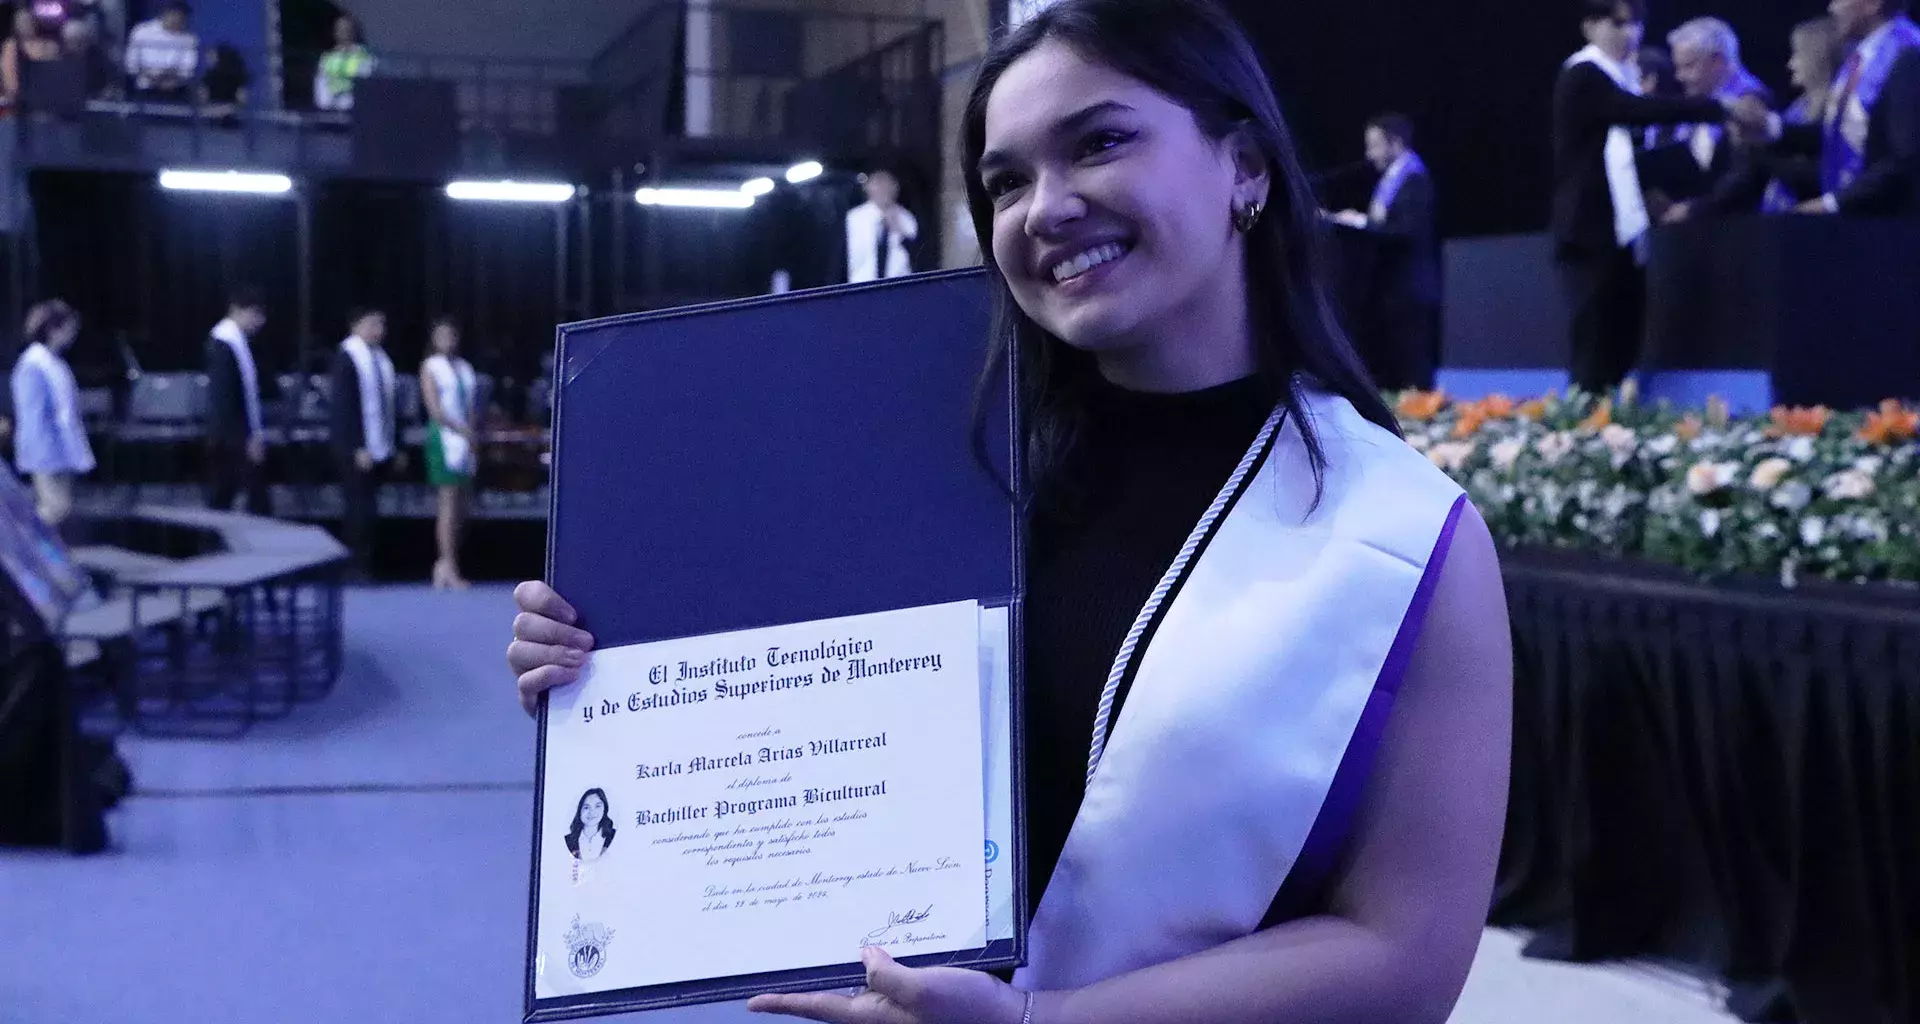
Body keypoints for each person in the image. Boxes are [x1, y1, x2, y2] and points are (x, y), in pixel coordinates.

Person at [512, 2, 1513, 1022]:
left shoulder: (1399, 536)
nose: (1047, 207)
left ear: (1245, 168)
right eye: (1006, 181)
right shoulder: (947, 478)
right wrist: (609, 675)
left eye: (1101, 142)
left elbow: (1402, 953)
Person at [1550, 0, 1733, 394]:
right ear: (1590, 26)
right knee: (1595, 337)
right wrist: (1718, 108)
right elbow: (1632, 110)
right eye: (1617, 23)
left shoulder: (1623, 75)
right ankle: (1584, 427)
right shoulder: (1584, 74)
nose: (1629, 33)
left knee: (1623, 333)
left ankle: (1609, 420)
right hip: (1589, 229)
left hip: (1623, 231)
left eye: (1635, 23)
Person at [1731, 0, 1920, 217]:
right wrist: (1770, 127)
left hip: (1894, 228)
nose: (1832, 8)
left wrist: (1832, 204)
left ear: (1872, 4)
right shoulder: (1862, 58)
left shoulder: (1910, 55)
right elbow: (1845, 137)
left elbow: (1908, 158)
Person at [1679, 17, 1845, 220]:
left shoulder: (1755, 100)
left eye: (1798, 55)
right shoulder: (1797, 109)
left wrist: (1759, 153)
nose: (1790, 64)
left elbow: (1820, 174)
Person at [1329, 112, 1439, 390]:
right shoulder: (1390, 180)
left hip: (1410, 290)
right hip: (1387, 290)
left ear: (1396, 143)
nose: (1369, 154)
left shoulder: (1414, 179)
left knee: (1414, 368)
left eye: (1375, 145)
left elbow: (1407, 231)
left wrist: (1361, 222)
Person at [9, 300, 93, 525]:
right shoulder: (33, 363)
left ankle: (39, 553)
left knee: (60, 507)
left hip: (59, 449)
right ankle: (27, 548)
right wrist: (44, 451)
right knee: (55, 507)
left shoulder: (53, 362)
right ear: (53, 329)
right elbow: (32, 415)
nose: (72, 334)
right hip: (44, 448)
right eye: (68, 328)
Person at [328, 308, 397, 579]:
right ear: (356, 325)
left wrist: (395, 442)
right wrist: (357, 446)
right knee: (358, 509)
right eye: (372, 323)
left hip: (379, 444)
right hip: (355, 447)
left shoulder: (381, 359)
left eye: (382, 323)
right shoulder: (347, 356)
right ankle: (355, 566)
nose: (378, 329)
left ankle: (369, 562)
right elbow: (344, 408)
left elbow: (389, 406)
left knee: (371, 509)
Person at [420, 316, 478, 590]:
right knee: (448, 504)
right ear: (434, 339)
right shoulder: (431, 366)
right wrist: (460, 429)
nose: (447, 340)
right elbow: (434, 409)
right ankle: (448, 565)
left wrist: (472, 433)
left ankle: (444, 564)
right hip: (443, 437)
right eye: (441, 336)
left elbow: (470, 406)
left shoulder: (465, 367)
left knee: (464, 506)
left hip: (466, 438)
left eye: (451, 335)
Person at [204, 288, 270, 515]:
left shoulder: (235, 342)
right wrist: (247, 440)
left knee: (226, 497)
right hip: (230, 438)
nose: (260, 322)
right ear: (237, 311)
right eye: (255, 314)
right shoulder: (224, 344)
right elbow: (225, 400)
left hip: (233, 436)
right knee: (230, 497)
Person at [845, 168, 919, 283]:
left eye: (887, 184)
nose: (883, 189)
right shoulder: (853, 218)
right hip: (860, 286)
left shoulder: (907, 219)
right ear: (867, 188)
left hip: (898, 287)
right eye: (878, 184)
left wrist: (898, 230)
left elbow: (917, 256)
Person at [124, 1, 197, 102]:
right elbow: (131, 64)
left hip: (175, 92)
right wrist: (151, 77)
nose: (178, 19)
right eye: (175, 14)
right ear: (165, 13)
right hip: (145, 90)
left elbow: (187, 70)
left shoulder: (189, 39)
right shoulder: (141, 31)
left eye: (182, 16)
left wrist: (169, 78)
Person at [1, 9, 63, 111]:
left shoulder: (49, 45)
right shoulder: (10, 46)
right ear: (16, 25)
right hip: (20, 100)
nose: (25, 25)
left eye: (28, 21)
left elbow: (54, 74)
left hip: (46, 99)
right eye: (21, 22)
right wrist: (15, 95)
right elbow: (8, 74)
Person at [314, 14, 372, 112]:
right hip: (329, 107)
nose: (343, 32)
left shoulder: (363, 56)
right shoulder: (327, 57)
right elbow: (321, 81)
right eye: (339, 29)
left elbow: (365, 82)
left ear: (353, 31)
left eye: (346, 29)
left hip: (353, 107)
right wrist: (324, 103)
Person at [564, 788, 616, 861]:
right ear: (579, 811)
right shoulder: (568, 840)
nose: (592, 812)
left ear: (605, 809)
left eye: (597, 806)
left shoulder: (614, 836)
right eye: (586, 807)